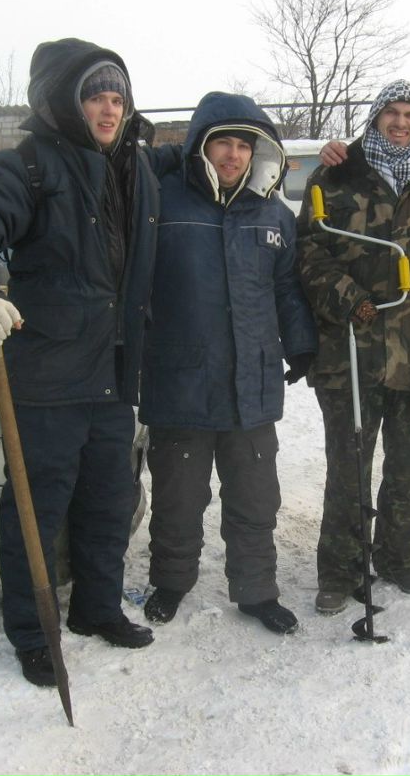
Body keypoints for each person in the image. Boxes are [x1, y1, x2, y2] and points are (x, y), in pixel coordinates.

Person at [0, 38, 165, 686]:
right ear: (65, 102)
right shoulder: (28, 166)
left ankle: (96, 608)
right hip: (48, 378)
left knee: (109, 503)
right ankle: (33, 633)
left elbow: (207, 155)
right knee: (35, 515)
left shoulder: (137, 167)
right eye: (95, 96)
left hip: (112, 376)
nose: (109, 108)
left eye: (118, 96)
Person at [297, 80, 410, 615]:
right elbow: (308, 252)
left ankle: (400, 560)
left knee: (407, 467)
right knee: (348, 467)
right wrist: (348, 297)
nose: (401, 123)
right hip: (351, 351)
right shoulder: (335, 176)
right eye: (391, 113)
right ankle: (340, 570)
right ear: (376, 117)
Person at [138, 92, 317, 635]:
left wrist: (301, 344)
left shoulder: (273, 213)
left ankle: (258, 592)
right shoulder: (164, 201)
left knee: (255, 500)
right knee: (178, 498)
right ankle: (171, 582)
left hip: (251, 385)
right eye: (223, 143)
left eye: (244, 145)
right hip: (180, 382)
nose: (234, 154)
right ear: (201, 147)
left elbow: (286, 289)